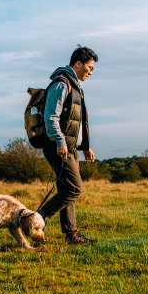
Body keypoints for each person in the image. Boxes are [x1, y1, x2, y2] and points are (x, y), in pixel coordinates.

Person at [36, 46, 98, 244]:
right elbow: (51, 116)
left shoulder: (75, 86)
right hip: (58, 146)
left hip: (69, 147)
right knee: (74, 189)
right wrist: (60, 141)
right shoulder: (62, 84)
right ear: (78, 64)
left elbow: (78, 122)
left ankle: (71, 234)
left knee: (66, 189)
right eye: (89, 67)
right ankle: (35, 218)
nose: (90, 72)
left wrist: (85, 146)